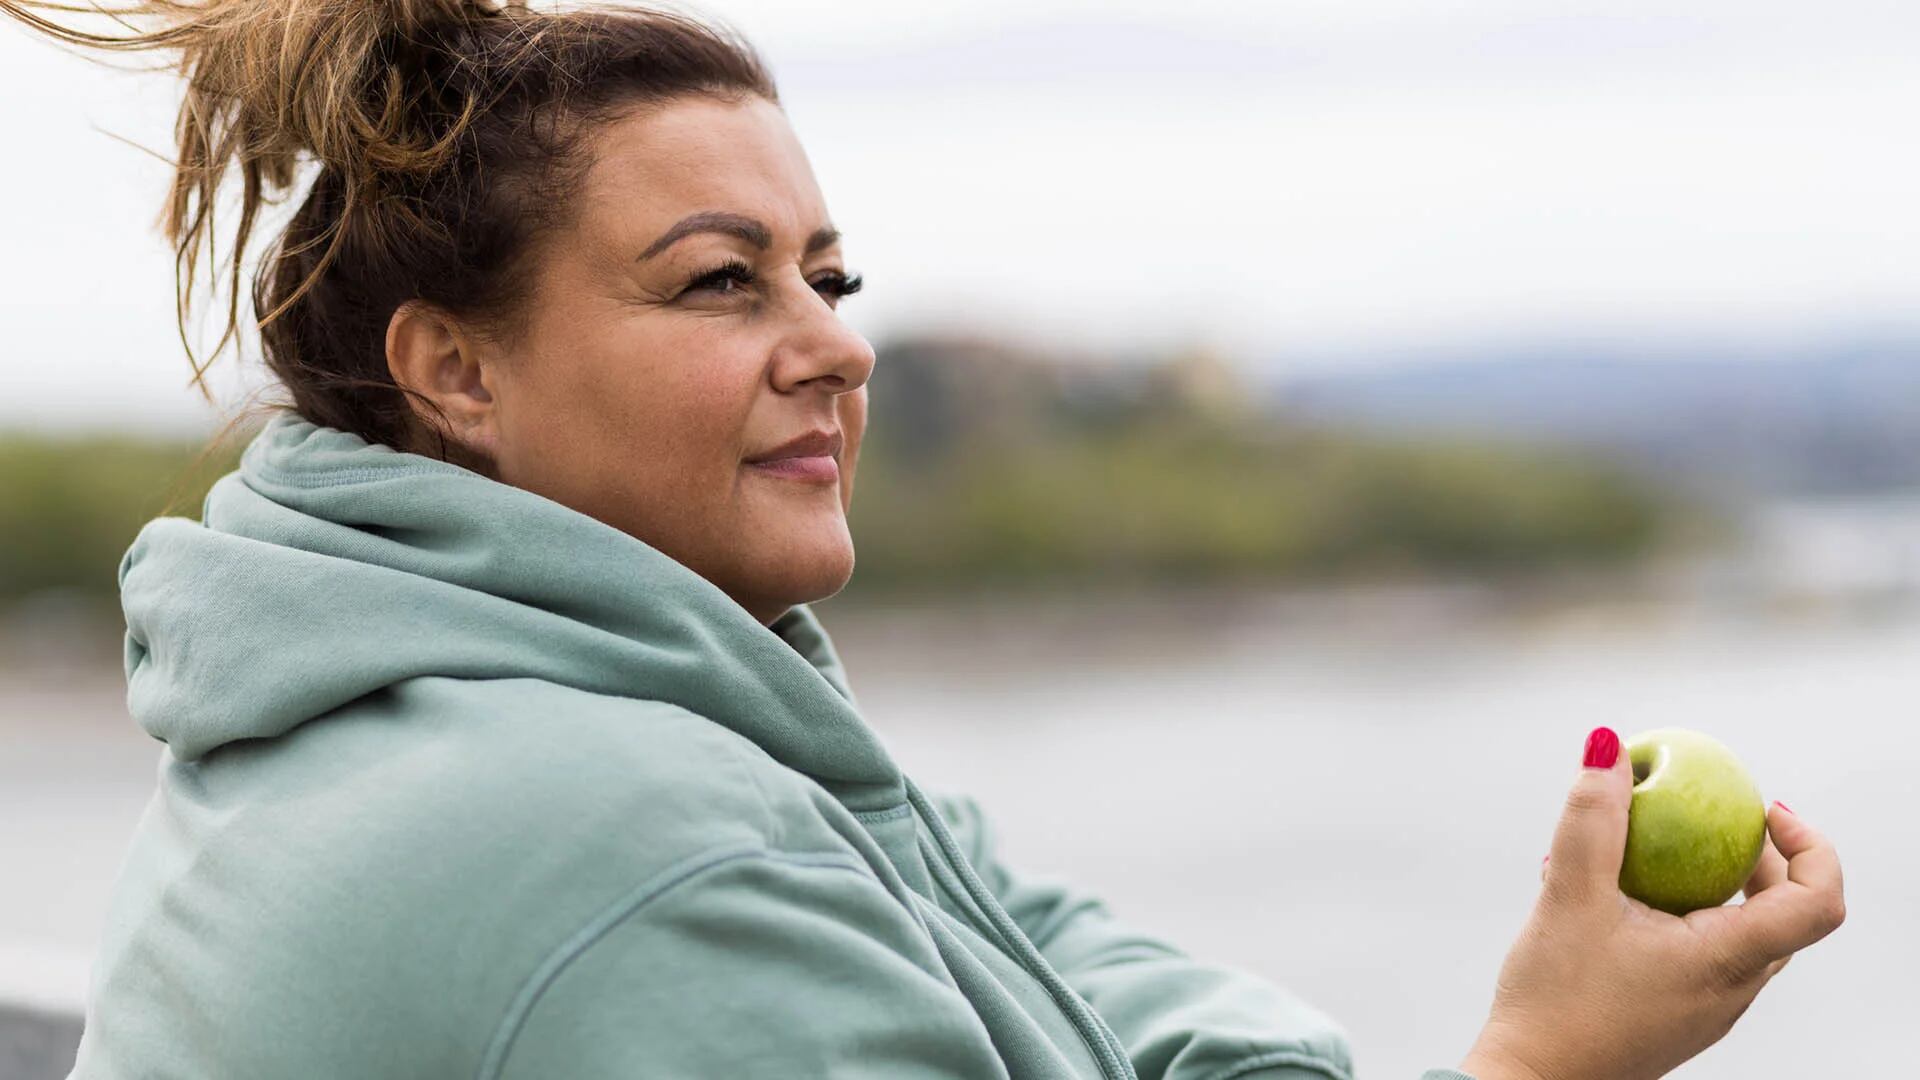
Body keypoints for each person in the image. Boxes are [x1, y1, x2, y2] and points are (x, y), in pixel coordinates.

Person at [1, 2, 1846, 1078]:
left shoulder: (624, 717)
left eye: (830, 272)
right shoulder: (601, 832)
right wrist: (1541, 1064)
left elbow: (1070, 976)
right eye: (721, 282)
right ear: (453, 370)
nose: (840, 342)